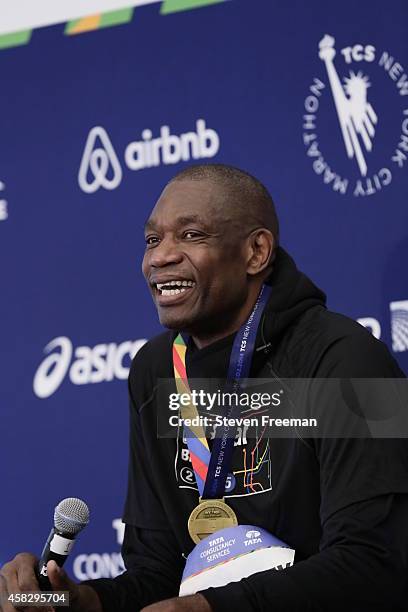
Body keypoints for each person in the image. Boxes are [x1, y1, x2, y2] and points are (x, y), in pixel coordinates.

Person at [1, 164, 408, 612]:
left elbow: (376, 566)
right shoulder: (154, 371)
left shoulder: (351, 359)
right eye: (153, 240)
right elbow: (158, 573)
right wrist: (78, 601)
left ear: (256, 251)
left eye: (191, 235)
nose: (160, 257)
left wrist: (205, 608)